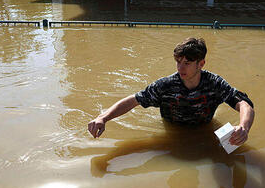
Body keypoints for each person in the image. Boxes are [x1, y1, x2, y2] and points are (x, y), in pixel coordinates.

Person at [88, 37, 255, 146]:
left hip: (204, 131)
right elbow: (134, 100)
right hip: (173, 134)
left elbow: (243, 104)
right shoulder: (165, 85)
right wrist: (103, 118)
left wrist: (243, 128)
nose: (180, 68)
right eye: (178, 62)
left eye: (187, 63)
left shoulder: (214, 83)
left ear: (201, 64)